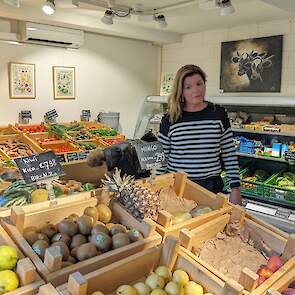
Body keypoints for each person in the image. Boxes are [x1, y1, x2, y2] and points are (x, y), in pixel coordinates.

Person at [156, 64, 241, 204]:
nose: (196, 90)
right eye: (188, 87)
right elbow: (162, 158)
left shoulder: (218, 114)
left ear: (204, 84)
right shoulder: (170, 118)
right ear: (181, 91)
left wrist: (235, 188)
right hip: (178, 187)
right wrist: (159, 187)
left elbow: (229, 153)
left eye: (199, 84)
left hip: (210, 187)